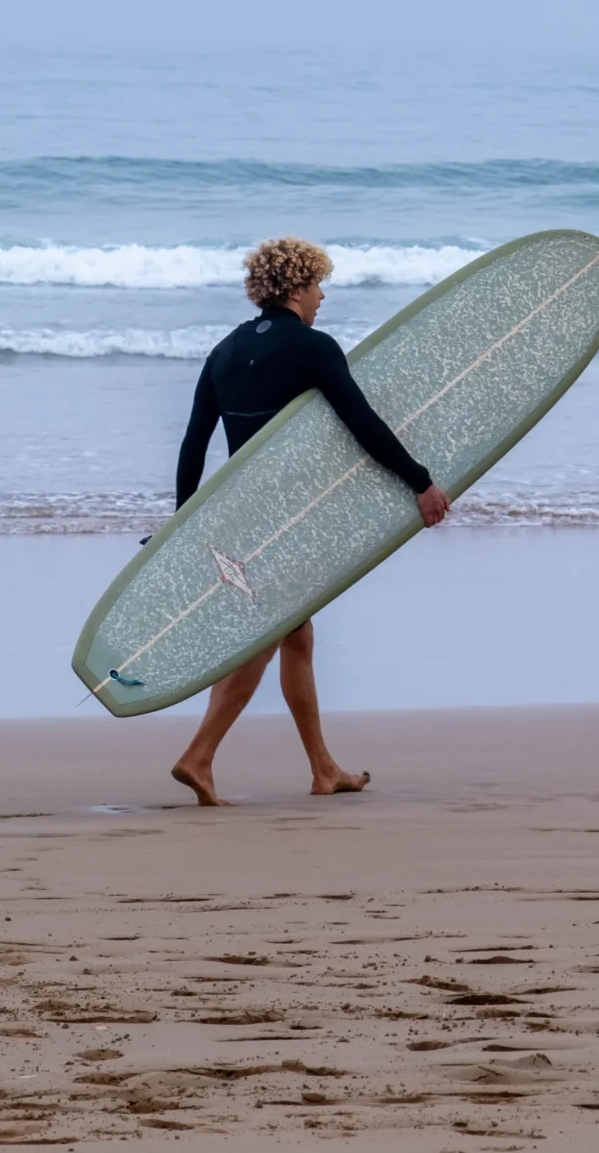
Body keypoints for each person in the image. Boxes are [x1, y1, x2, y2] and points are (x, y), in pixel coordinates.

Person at [168, 235, 450, 805]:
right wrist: (420, 481)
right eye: (319, 284)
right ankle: (199, 755)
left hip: (238, 517)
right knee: (272, 636)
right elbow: (362, 423)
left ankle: (324, 769)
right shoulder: (315, 347)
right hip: (289, 520)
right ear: (297, 287)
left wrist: (184, 526)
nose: (323, 296)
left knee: (296, 636)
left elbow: (193, 446)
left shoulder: (223, 352)